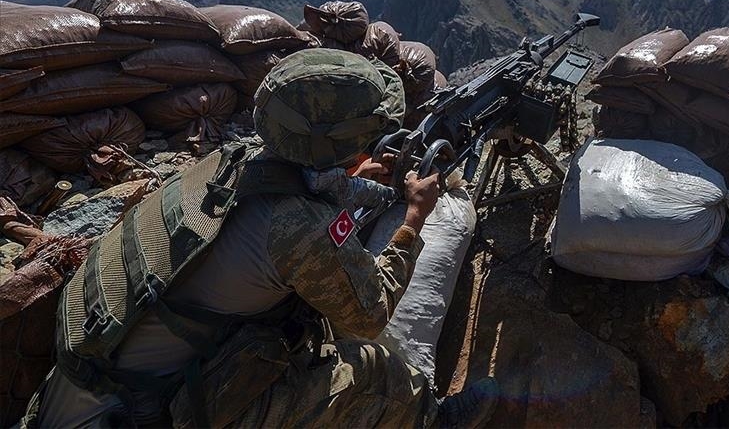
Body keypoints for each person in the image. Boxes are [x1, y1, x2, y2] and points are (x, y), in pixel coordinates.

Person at [23, 48, 498, 428]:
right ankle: (432, 419)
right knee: (371, 368)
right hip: (145, 411)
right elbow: (371, 313)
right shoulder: (297, 228)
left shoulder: (230, 161)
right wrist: (413, 218)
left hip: (84, 382)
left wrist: (358, 181)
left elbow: (304, 187)